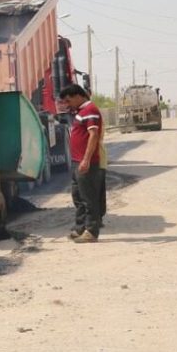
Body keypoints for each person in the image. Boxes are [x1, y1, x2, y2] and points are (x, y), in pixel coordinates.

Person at [59, 84, 107, 243]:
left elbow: (93, 135)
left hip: (86, 163)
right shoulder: (81, 112)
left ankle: (91, 232)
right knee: (78, 197)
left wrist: (86, 159)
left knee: (89, 198)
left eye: (68, 100)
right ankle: (80, 228)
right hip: (77, 162)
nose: (67, 105)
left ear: (78, 96)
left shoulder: (90, 111)